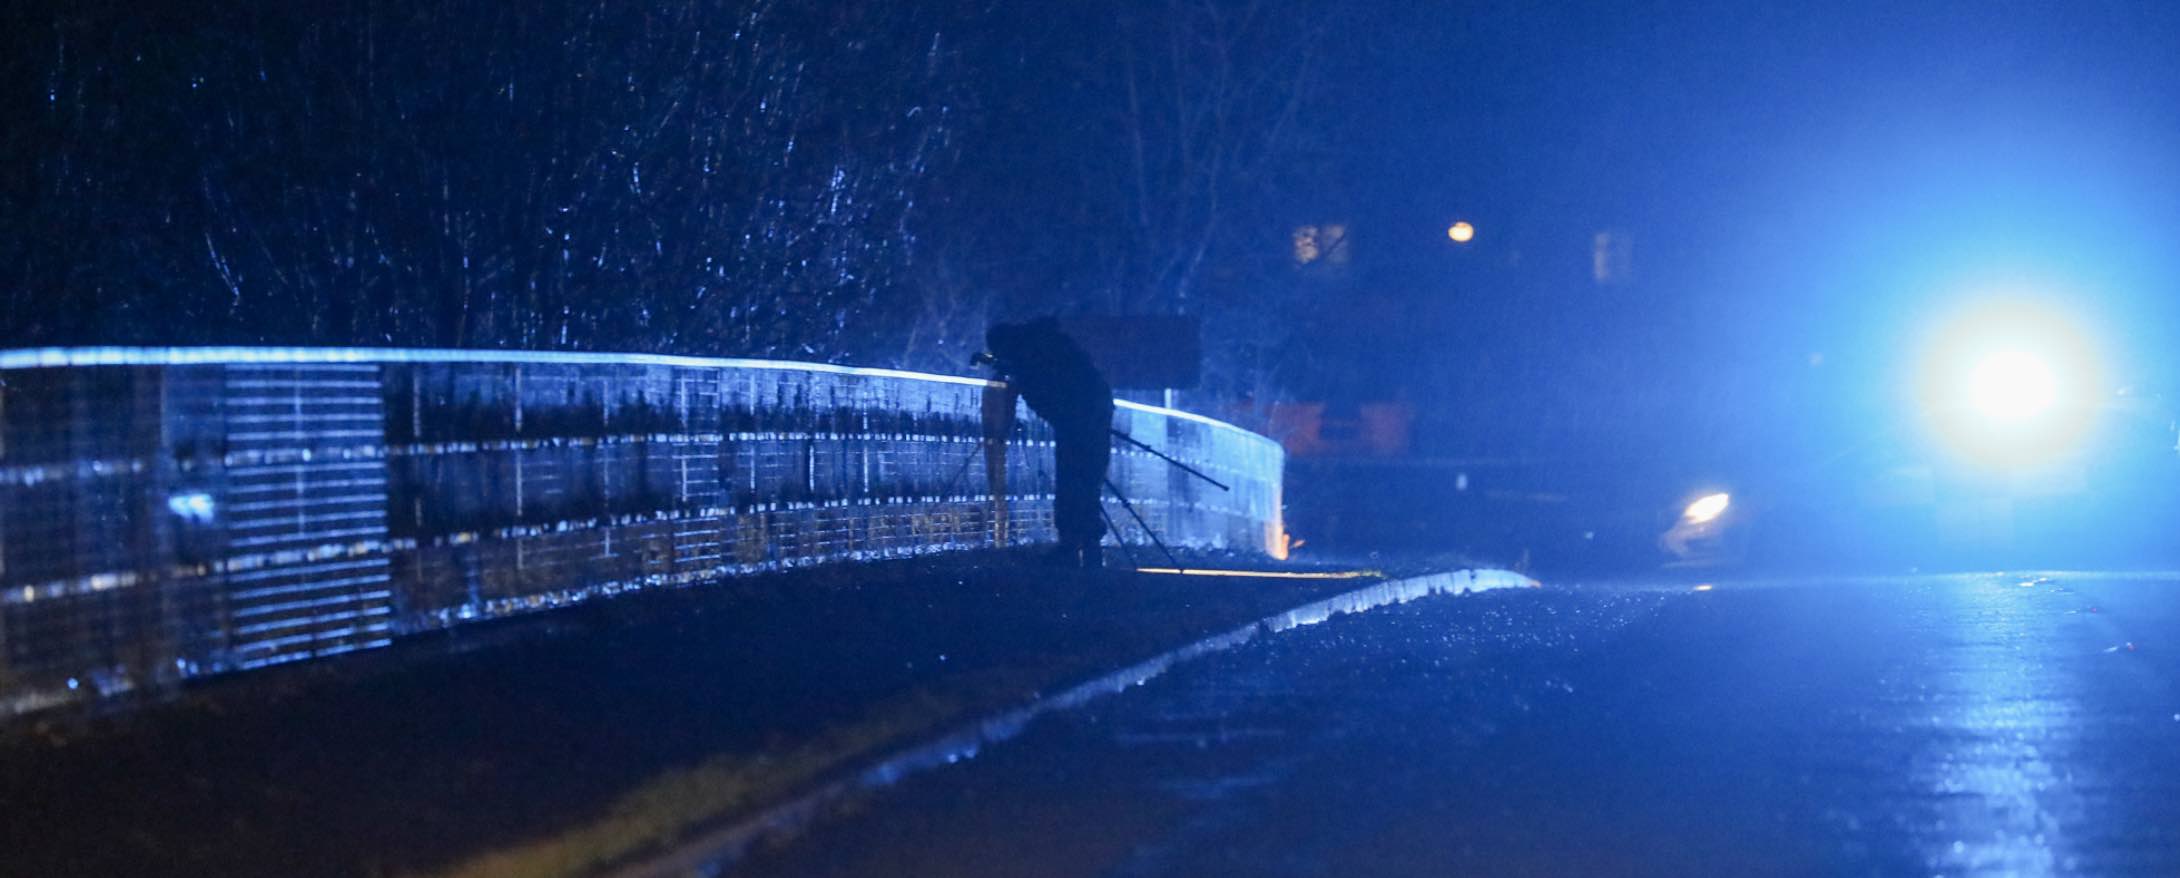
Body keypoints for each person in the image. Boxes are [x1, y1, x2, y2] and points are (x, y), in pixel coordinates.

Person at [974, 318, 1115, 567]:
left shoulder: (1032, 357)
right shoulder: (1041, 348)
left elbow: (1032, 379)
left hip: (1077, 420)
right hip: (1089, 416)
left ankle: (1074, 545)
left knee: (1074, 480)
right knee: (1086, 480)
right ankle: (1087, 545)